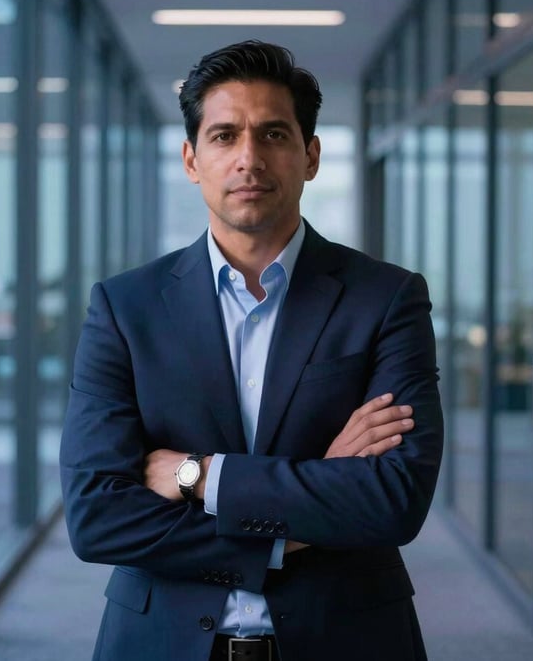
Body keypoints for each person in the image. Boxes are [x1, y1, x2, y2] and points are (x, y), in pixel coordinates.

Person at [60, 40, 444, 661]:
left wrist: (197, 476)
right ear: (191, 159)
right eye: (223, 136)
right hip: (159, 643)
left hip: (347, 641)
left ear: (310, 155)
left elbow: (393, 501)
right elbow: (96, 515)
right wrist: (295, 520)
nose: (248, 158)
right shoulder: (124, 308)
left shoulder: (388, 298)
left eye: (273, 134)